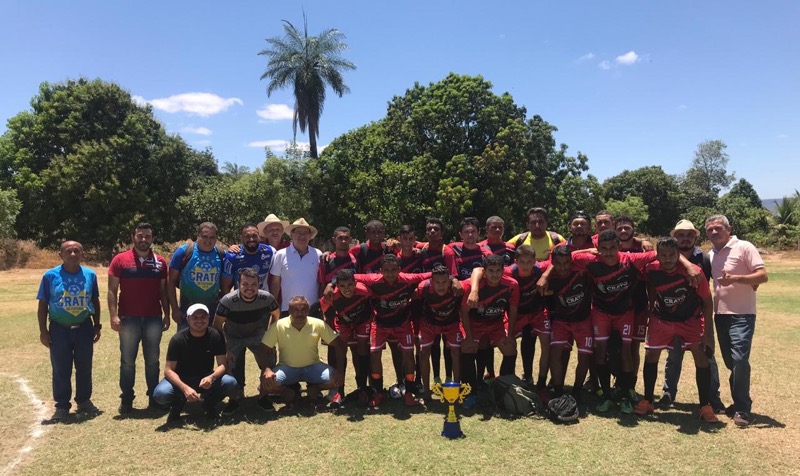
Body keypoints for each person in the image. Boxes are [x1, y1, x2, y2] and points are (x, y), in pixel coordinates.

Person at [634, 237, 720, 423]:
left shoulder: (694, 273)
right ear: (657, 255)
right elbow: (650, 284)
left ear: (678, 255)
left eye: (672, 254)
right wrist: (651, 304)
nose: (667, 259)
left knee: (701, 357)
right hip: (661, 319)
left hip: (690, 319)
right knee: (651, 356)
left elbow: (707, 302)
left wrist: (707, 335)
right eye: (663, 255)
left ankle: (705, 406)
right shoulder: (651, 269)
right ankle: (648, 401)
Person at [705, 214, 768, 427]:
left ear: (728, 229)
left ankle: (742, 408)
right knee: (731, 362)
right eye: (710, 230)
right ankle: (737, 403)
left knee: (740, 360)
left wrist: (737, 279)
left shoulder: (744, 247)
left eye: (718, 228)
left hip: (742, 314)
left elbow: (762, 275)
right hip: (720, 315)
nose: (714, 232)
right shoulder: (711, 255)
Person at [468, 245, 549, 400]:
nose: (526, 265)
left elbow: (555, 260)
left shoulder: (540, 268)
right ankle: (490, 377)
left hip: (537, 312)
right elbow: (479, 270)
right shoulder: (506, 271)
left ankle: (540, 384)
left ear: (535, 261)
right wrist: (474, 289)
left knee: (547, 343)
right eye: (522, 262)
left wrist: (545, 276)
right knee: (496, 342)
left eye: (529, 262)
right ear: (515, 261)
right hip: (516, 315)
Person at [661, 219, 725, 412]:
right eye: (681, 235)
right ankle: (668, 393)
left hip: (698, 316)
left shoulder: (704, 259)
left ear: (696, 237)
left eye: (690, 235)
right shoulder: (667, 256)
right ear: (674, 237)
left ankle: (712, 397)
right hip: (674, 316)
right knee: (674, 356)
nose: (685, 238)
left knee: (708, 356)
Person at [108, 222, 170, 414]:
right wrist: (113, 315)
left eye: (148, 236)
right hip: (129, 319)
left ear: (152, 238)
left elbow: (163, 291)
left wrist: (167, 314)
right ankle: (127, 398)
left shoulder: (160, 262)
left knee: (152, 360)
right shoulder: (120, 260)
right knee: (127, 361)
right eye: (140, 236)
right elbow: (112, 290)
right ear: (133, 237)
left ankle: (154, 397)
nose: (144, 240)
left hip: (153, 318)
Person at [37, 240, 102, 421]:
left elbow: (95, 301)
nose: (73, 254)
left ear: (82, 254)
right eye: (68, 251)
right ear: (61, 255)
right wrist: (43, 331)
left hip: (83, 327)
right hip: (59, 329)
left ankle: (84, 401)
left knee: (84, 367)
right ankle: (62, 406)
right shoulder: (50, 276)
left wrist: (97, 325)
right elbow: (43, 305)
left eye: (77, 251)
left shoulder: (90, 275)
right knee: (61, 369)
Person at [152, 303, 237, 424]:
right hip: (181, 378)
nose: (199, 321)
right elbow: (168, 370)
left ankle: (209, 403)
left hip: (205, 378)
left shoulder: (215, 336)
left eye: (203, 317)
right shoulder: (178, 339)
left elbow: (223, 365)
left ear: (209, 318)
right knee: (160, 394)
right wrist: (184, 388)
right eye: (195, 317)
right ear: (188, 319)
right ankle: (178, 404)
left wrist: (211, 377)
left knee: (230, 383)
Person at [213, 268, 280, 414]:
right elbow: (217, 325)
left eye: (253, 284)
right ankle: (234, 398)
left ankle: (264, 396)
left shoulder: (267, 298)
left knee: (269, 362)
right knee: (229, 366)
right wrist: (226, 348)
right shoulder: (228, 301)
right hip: (234, 337)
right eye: (245, 284)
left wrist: (269, 338)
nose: (249, 288)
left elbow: (276, 316)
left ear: (259, 284)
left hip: (258, 336)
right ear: (238, 284)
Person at [261, 296, 346, 411]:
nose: (299, 313)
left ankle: (315, 388)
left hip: (313, 366)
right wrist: (267, 369)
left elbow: (339, 345)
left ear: (308, 310)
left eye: (303, 310)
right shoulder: (278, 325)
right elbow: (263, 348)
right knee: (267, 384)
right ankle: (288, 392)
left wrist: (340, 370)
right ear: (289, 311)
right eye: (295, 310)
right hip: (287, 367)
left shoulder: (318, 324)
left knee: (335, 379)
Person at [460, 254, 520, 409]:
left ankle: (502, 388)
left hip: (495, 323)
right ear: (484, 272)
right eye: (491, 271)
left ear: (503, 271)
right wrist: (469, 337)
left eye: (498, 270)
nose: (495, 274)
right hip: (474, 324)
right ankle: (470, 392)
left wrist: (511, 334)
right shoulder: (471, 286)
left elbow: (513, 310)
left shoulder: (511, 285)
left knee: (510, 348)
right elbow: (464, 312)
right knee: (468, 348)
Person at [543, 245, 594, 403]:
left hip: (583, 320)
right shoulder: (548, 274)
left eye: (566, 263)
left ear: (571, 261)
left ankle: (577, 390)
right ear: (553, 263)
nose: (563, 267)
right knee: (555, 352)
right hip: (561, 321)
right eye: (558, 263)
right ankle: (558, 389)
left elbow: (598, 253)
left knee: (584, 356)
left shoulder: (582, 270)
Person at [320, 269, 373, 398]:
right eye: (342, 286)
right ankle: (340, 390)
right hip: (343, 323)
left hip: (362, 321)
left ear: (355, 283)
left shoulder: (365, 291)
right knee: (340, 352)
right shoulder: (331, 296)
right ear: (337, 286)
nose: (347, 289)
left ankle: (362, 387)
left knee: (362, 349)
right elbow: (322, 310)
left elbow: (372, 303)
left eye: (350, 285)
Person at [414, 264, 463, 400]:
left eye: (444, 282)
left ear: (449, 281)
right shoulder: (422, 289)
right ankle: (426, 391)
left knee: (456, 352)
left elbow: (462, 308)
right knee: (424, 353)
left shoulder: (457, 289)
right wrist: (415, 332)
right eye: (437, 282)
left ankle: (456, 388)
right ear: (431, 281)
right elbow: (415, 311)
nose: (441, 286)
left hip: (451, 322)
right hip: (429, 323)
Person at [168, 222, 224, 329]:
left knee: (211, 344)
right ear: (198, 236)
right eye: (204, 236)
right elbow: (170, 282)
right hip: (187, 310)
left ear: (216, 239)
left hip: (212, 311)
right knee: (186, 344)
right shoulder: (183, 252)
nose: (208, 240)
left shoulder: (221, 254)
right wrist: (175, 310)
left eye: (212, 237)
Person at [269, 218, 323, 315]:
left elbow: (321, 281)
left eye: (306, 233)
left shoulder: (318, 254)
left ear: (310, 236)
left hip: (312, 308)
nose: (302, 236)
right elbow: (275, 283)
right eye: (298, 232)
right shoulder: (281, 254)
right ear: (292, 235)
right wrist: (273, 306)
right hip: (288, 308)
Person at [221, 223, 276, 294]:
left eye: (254, 235)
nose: (251, 239)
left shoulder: (270, 252)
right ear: (241, 238)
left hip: (262, 299)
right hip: (240, 300)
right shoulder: (232, 257)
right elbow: (225, 286)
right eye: (247, 236)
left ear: (259, 236)